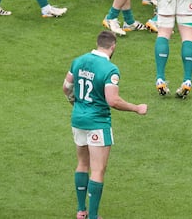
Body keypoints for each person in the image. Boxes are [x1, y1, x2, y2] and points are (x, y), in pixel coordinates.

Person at [62, 31, 148, 219]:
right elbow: (113, 100)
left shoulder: (78, 61)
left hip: (78, 120)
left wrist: (75, 103)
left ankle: (81, 211)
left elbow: (66, 88)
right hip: (97, 123)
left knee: (82, 163)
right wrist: (136, 108)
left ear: (97, 43)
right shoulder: (110, 69)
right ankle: (93, 216)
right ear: (113, 46)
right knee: (98, 169)